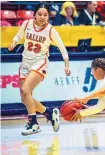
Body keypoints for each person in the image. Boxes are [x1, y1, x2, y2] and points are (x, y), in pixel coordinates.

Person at [8, 3, 71, 136]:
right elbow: (18, 36)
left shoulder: (50, 30)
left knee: (26, 90)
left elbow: (62, 48)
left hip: (40, 62)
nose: (42, 17)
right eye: (40, 14)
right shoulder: (26, 24)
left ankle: (34, 123)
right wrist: (14, 42)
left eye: (45, 15)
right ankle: (49, 113)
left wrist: (66, 65)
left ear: (48, 16)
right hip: (25, 62)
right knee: (25, 98)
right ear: (34, 14)